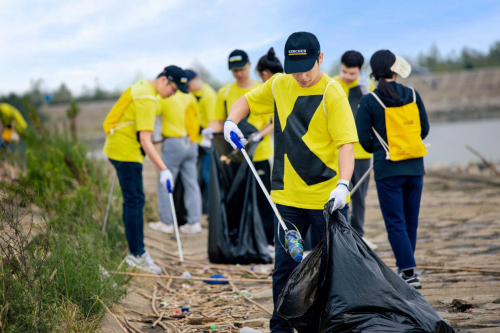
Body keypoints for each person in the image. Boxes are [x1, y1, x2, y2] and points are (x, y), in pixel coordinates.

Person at [224, 32, 358, 332]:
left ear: (320, 59)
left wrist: (344, 184)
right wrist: (231, 121)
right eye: (295, 69)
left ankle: (332, 325)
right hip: (286, 197)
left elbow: (346, 144)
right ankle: (281, 327)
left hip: (326, 197)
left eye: (307, 68)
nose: (302, 76)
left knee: (336, 269)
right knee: (284, 268)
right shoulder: (279, 84)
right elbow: (245, 101)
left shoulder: (332, 92)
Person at [103, 65, 188, 274]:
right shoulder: (148, 99)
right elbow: (145, 140)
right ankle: (137, 255)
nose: (172, 95)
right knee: (135, 200)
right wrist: (164, 169)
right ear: (164, 81)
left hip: (120, 147)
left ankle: (137, 252)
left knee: (135, 199)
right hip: (126, 152)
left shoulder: (144, 88)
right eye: (174, 90)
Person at [356, 50, 430, 289]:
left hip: (388, 169)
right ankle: (407, 269)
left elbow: (363, 140)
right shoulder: (412, 94)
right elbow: (424, 129)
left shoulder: (369, 101)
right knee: (411, 220)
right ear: (395, 69)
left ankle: (408, 272)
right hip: (415, 166)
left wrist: (379, 147)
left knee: (395, 222)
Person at [215, 49, 275, 252]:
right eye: (234, 71)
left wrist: (260, 135)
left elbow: (275, 120)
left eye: (241, 69)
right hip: (236, 158)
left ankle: (268, 240)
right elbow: (219, 120)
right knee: (237, 198)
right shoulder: (224, 93)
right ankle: (238, 238)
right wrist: (211, 134)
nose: (238, 74)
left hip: (259, 154)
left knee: (263, 198)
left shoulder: (264, 89)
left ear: (249, 65)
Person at [333, 50, 378, 250]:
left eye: (352, 73)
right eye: (345, 72)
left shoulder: (366, 86)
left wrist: (366, 93)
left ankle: (358, 235)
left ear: (360, 71)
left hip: (360, 151)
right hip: (338, 150)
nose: (348, 77)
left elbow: (375, 114)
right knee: (338, 193)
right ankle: (340, 235)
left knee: (359, 196)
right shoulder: (332, 83)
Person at [148, 87, 203, 234]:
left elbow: (150, 112)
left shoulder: (165, 97)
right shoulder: (189, 95)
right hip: (191, 143)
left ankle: (166, 223)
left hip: (173, 143)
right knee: (191, 184)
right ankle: (194, 222)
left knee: (165, 182)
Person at [184, 69, 218, 213]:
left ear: (196, 79)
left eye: (189, 84)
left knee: (207, 176)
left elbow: (213, 122)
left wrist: (201, 131)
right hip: (197, 142)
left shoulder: (209, 95)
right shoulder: (193, 94)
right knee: (197, 176)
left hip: (208, 142)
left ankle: (210, 209)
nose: (188, 88)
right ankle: (201, 208)